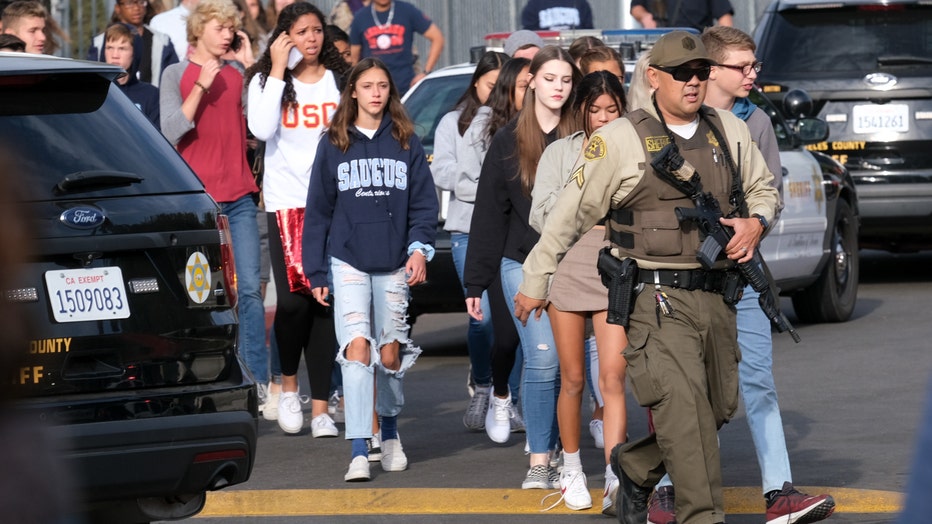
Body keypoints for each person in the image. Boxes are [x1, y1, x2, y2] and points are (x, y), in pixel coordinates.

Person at [514, 31, 779, 524]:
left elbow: (764, 188)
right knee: (684, 409)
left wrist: (757, 221)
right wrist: (536, 279)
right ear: (654, 77)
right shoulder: (618, 140)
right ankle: (701, 515)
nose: (694, 82)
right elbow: (566, 216)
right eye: (682, 73)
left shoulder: (728, 130)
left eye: (701, 72)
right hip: (653, 298)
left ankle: (635, 467)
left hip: (716, 293)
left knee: (718, 406)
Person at [643, 25, 837, 524]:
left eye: (754, 66)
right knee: (682, 388)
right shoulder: (661, 120)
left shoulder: (757, 125)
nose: (752, 75)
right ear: (709, 69)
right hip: (677, 280)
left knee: (757, 381)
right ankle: (663, 488)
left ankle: (780, 492)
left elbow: (765, 197)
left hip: (740, 274)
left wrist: (754, 226)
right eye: (741, 67)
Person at [303, 57, 438, 482]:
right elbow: (318, 212)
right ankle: (359, 448)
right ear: (353, 93)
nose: (376, 93)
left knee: (391, 352)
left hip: (395, 261)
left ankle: (392, 436)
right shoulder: (333, 143)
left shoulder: (405, 141)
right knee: (357, 349)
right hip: (348, 262)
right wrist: (316, 272)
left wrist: (420, 250)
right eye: (368, 86)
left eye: (382, 85)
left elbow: (424, 205)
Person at [465, 45, 581, 490]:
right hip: (520, 263)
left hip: (575, 267)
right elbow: (488, 215)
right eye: (550, 78)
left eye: (566, 80)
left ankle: (557, 451)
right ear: (531, 81)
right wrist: (475, 281)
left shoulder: (584, 137)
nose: (558, 87)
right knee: (543, 358)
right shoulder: (509, 139)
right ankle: (538, 459)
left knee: (570, 368)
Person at [246, 1, 350, 437]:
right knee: (291, 304)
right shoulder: (266, 81)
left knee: (326, 304)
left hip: (334, 203)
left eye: (316, 31)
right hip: (287, 202)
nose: (311, 39)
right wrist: (274, 68)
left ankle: (322, 408)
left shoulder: (338, 80)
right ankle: (288, 387)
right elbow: (261, 128)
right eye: (301, 31)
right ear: (285, 36)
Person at [160, 0, 269, 415]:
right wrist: (202, 86)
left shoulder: (239, 73)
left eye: (231, 27)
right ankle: (196, 382)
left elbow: (259, 126)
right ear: (200, 30)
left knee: (250, 295)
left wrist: (251, 65)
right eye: (221, 27)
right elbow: (170, 132)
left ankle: (257, 380)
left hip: (240, 196)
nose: (227, 34)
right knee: (200, 298)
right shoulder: (175, 73)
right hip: (197, 204)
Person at [529, 70, 629, 514]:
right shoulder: (559, 152)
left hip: (615, 269)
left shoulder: (633, 149)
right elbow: (540, 217)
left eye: (612, 110)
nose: (604, 118)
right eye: (596, 110)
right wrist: (583, 188)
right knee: (570, 378)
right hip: (567, 263)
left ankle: (615, 474)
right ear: (582, 112)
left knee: (613, 378)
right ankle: (570, 468)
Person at [430, 50, 509, 432]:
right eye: (489, 86)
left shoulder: (512, 123)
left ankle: (507, 394)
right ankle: (482, 384)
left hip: (509, 230)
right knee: (482, 317)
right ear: (476, 83)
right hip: (466, 229)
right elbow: (442, 170)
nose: (494, 94)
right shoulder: (452, 123)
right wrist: (486, 186)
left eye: (501, 87)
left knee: (512, 316)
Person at [458, 56, 531, 443]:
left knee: (545, 355)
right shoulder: (496, 135)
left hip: (549, 257)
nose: (535, 91)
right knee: (505, 340)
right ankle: (499, 393)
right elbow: (486, 214)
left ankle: (543, 444)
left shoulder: (564, 134)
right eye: (524, 85)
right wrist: (476, 282)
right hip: (507, 254)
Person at [348, 0, 444, 92]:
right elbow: (354, 58)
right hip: (374, 90)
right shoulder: (360, 17)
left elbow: (437, 38)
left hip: (405, 88)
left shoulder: (407, 11)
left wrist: (425, 72)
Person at [87, 0, 179, 87]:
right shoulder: (99, 43)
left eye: (141, 2)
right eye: (129, 3)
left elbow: (174, 77)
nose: (136, 8)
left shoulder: (162, 41)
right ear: (118, 8)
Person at [103, 23, 161, 129]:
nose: (114, 55)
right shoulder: (94, 91)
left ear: (135, 53)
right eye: (109, 48)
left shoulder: (151, 95)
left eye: (122, 49)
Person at [630, 0, 733, 31]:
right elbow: (636, 8)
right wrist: (645, 17)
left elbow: (725, 19)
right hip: (659, 45)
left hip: (695, 46)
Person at [521, 0, 593, 31]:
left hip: (575, 51)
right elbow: (529, 31)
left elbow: (588, 31)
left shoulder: (580, 2)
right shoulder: (534, 4)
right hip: (544, 53)